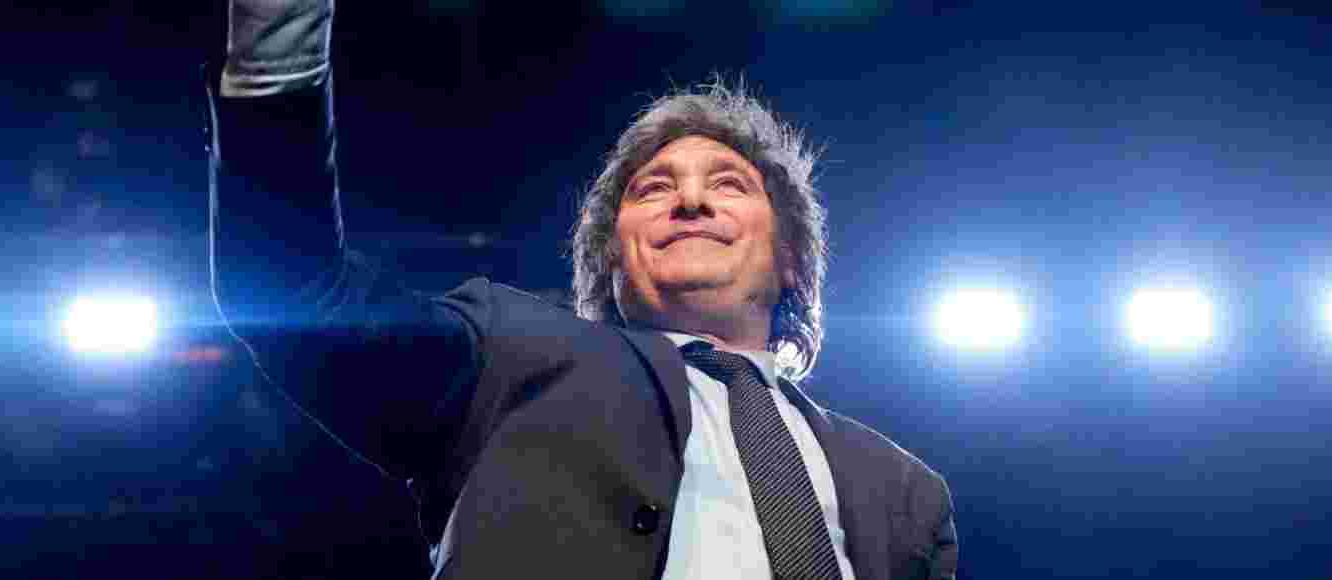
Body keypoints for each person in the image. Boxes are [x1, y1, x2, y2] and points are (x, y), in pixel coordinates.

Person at [206, 1, 956, 578]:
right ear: (613, 264)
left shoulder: (905, 494)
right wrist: (278, 45)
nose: (689, 202)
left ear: (791, 258)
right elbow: (296, 291)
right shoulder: (510, 356)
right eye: (654, 189)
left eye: (726, 185)